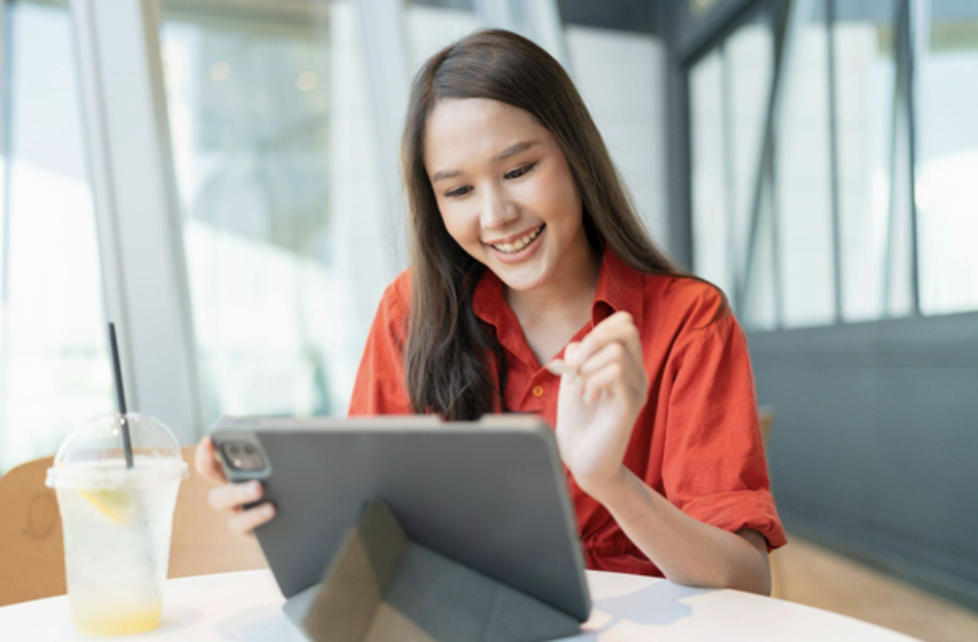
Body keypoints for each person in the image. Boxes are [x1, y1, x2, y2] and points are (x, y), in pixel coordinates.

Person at [196, 28, 785, 595]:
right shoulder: (411, 312)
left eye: (519, 170)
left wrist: (609, 480)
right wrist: (290, 505)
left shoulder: (688, 320)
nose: (496, 215)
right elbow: (373, 535)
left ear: (575, 156)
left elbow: (745, 580)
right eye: (458, 191)